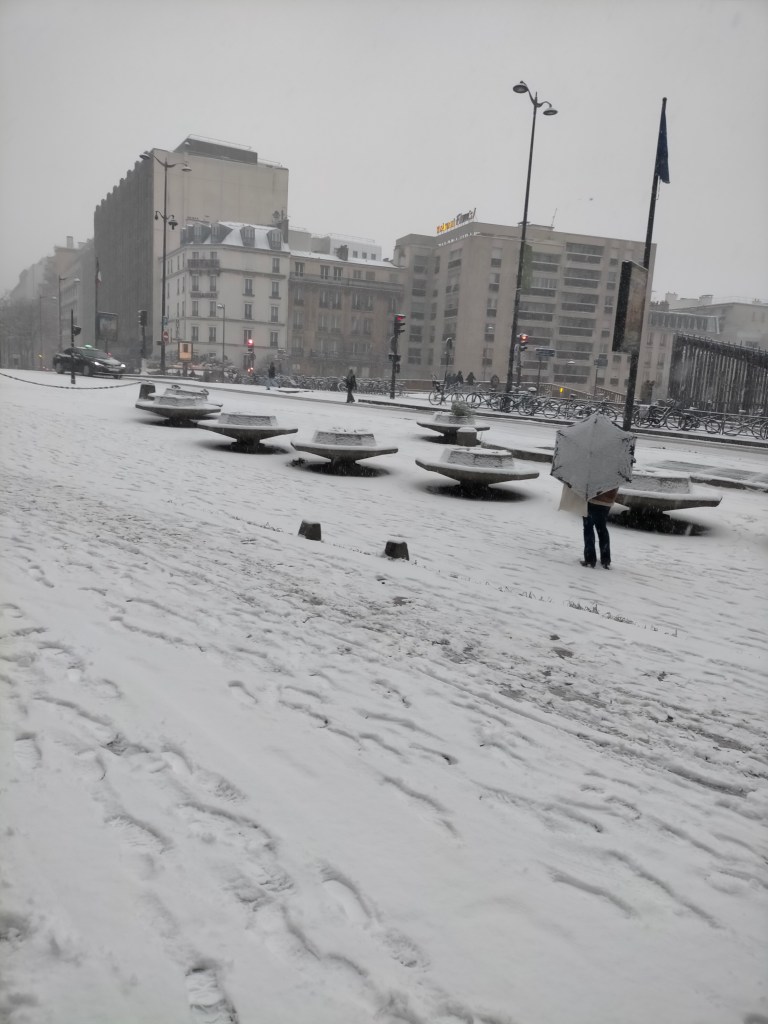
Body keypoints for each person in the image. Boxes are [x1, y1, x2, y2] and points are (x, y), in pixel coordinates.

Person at [581, 488, 619, 568]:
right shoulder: (617, 475)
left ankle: (590, 559)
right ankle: (605, 559)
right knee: (602, 529)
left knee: (588, 528)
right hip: (608, 501)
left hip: (593, 499)